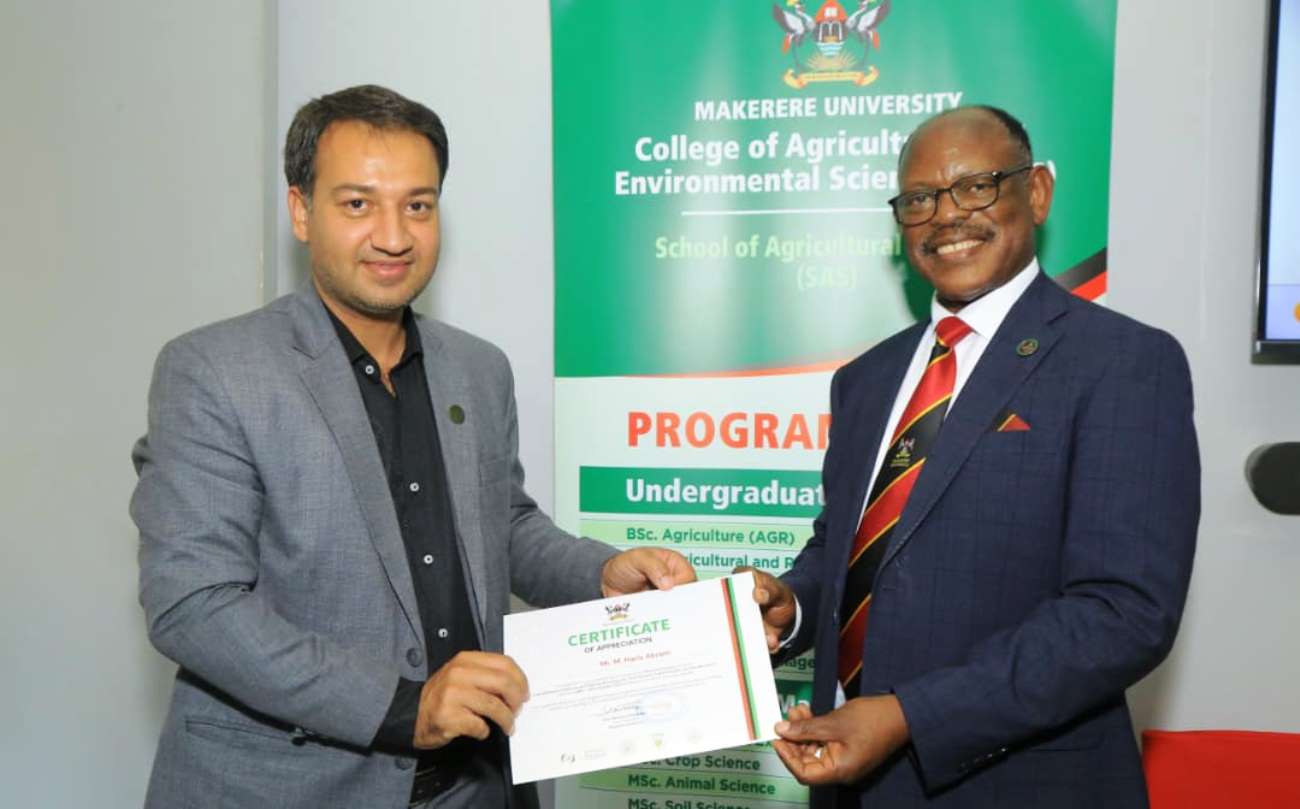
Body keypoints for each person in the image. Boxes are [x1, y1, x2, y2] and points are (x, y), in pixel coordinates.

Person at [130, 84, 695, 809]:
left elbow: (504, 525)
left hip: (477, 784)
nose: (394, 235)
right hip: (292, 788)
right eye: (358, 203)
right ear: (301, 210)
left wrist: (604, 572)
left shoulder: (478, 367)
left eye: (418, 205)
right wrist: (405, 705)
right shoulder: (214, 370)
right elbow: (193, 604)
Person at [746, 105, 1199, 808]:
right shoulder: (865, 379)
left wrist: (909, 716)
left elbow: (1122, 611)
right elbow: (850, 550)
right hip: (848, 783)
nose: (947, 215)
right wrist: (792, 607)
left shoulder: (1124, 361)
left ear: (1038, 191)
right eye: (920, 198)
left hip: (1023, 786)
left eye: (976, 186)